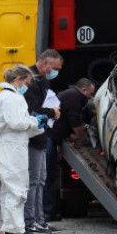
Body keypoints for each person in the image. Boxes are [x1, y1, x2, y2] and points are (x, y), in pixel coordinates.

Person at [0, 65, 46, 234]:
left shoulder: (5, 96)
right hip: (11, 147)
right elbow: (16, 123)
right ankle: (15, 229)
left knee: (10, 187)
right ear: (18, 80)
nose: (26, 86)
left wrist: (34, 125)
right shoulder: (11, 98)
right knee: (17, 187)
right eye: (26, 83)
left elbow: (15, 124)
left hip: (10, 144)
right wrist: (34, 122)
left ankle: (12, 226)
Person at [23, 49, 63, 234]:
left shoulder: (41, 80)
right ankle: (31, 220)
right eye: (55, 68)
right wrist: (52, 112)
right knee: (34, 180)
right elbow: (34, 110)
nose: (56, 72)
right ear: (45, 63)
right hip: (33, 136)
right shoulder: (31, 81)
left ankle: (39, 219)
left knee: (40, 179)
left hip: (40, 135)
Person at [45, 78, 96, 221]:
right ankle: (46, 211)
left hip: (53, 137)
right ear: (84, 90)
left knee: (51, 174)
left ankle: (49, 210)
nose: (91, 97)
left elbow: (85, 115)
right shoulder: (74, 97)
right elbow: (76, 122)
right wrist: (84, 139)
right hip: (50, 137)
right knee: (48, 174)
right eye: (91, 94)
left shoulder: (73, 96)